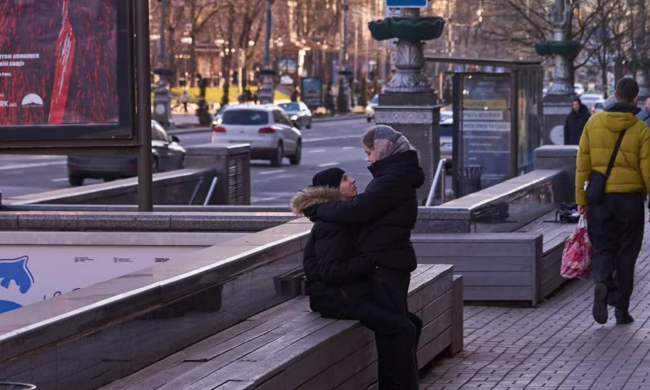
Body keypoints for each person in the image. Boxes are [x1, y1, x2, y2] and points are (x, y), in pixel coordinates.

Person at [314, 126, 424, 384]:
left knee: (394, 338)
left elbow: (356, 211)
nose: (368, 160)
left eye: (369, 152)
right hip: (386, 264)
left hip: (385, 266)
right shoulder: (396, 176)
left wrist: (318, 209)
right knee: (399, 332)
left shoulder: (391, 180)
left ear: (383, 150)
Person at [291, 168, 420, 390]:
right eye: (344, 179)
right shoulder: (332, 224)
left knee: (411, 324)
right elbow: (330, 272)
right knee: (402, 329)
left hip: (351, 292)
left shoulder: (340, 215)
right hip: (336, 298)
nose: (352, 180)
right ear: (332, 189)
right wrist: (369, 261)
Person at [576, 77, 650, 325]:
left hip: (600, 199)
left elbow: (582, 164)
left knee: (603, 248)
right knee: (627, 254)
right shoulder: (641, 129)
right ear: (635, 99)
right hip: (630, 201)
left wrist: (581, 199)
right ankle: (621, 310)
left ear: (614, 95)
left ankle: (603, 285)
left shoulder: (593, 123)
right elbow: (647, 170)